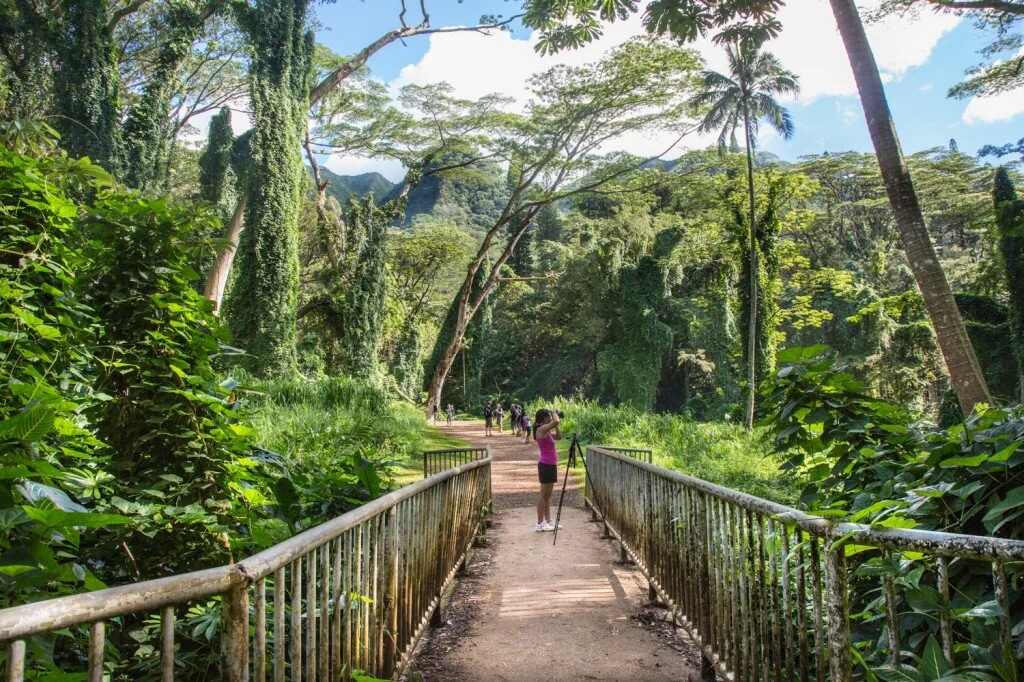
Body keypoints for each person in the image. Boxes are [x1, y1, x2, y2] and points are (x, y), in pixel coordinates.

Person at [533, 409, 563, 532]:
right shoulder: (540, 429)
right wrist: (554, 412)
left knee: (547, 496)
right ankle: (540, 523)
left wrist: (556, 426)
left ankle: (548, 521)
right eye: (548, 417)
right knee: (543, 496)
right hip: (546, 465)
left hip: (550, 465)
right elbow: (556, 420)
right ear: (545, 418)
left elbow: (559, 437)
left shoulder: (546, 430)